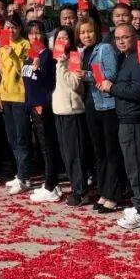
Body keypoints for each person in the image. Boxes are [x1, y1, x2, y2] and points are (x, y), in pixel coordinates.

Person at [104, 23, 140, 230]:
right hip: (126, 119)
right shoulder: (126, 58)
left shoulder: (139, 59)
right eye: (117, 38)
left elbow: (137, 91)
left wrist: (112, 88)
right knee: (133, 166)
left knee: (137, 167)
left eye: (125, 37)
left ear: (135, 37)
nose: (121, 41)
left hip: (134, 120)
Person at [80, 17, 123, 213]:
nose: (86, 35)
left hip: (107, 105)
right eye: (82, 32)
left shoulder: (104, 48)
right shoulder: (83, 52)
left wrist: (87, 76)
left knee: (111, 151)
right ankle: (104, 192)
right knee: (99, 152)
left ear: (96, 31)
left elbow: (112, 74)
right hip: (92, 105)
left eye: (89, 31)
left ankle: (113, 194)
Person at [0, 17, 31, 195]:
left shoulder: (25, 44)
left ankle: (23, 177)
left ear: (20, 28)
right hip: (5, 95)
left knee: (22, 138)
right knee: (12, 138)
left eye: (14, 27)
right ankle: (21, 173)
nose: (10, 31)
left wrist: (13, 54)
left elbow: (24, 71)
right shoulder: (1, 46)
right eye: (7, 27)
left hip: (20, 96)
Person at [51, 27, 88, 206]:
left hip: (72, 111)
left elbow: (74, 83)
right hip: (59, 109)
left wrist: (61, 65)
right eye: (59, 38)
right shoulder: (56, 58)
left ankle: (81, 191)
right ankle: (75, 186)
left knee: (75, 153)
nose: (62, 41)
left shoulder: (73, 57)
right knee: (66, 153)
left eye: (65, 38)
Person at [24, 21, 60, 203]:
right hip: (32, 105)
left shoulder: (47, 55)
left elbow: (49, 82)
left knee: (47, 147)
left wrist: (39, 68)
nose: (34, 37)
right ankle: (51, 182)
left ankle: (51, 187)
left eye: (37, 33)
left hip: (42, 106)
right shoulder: (30, 54)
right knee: (41, 146)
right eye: (31, 33)